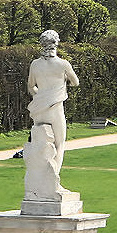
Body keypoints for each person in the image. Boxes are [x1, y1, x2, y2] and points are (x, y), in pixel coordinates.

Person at [27, 30, 80, 174]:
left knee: (40, 144)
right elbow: (75, 82)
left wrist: (42, 97)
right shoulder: (63, 64)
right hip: (56, 109)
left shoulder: (35, 64)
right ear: (56, 43)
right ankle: (53, 176)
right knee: (59, 143)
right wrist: (61, 85)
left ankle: (39, 178)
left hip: (39, 109)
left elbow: (31, 87)